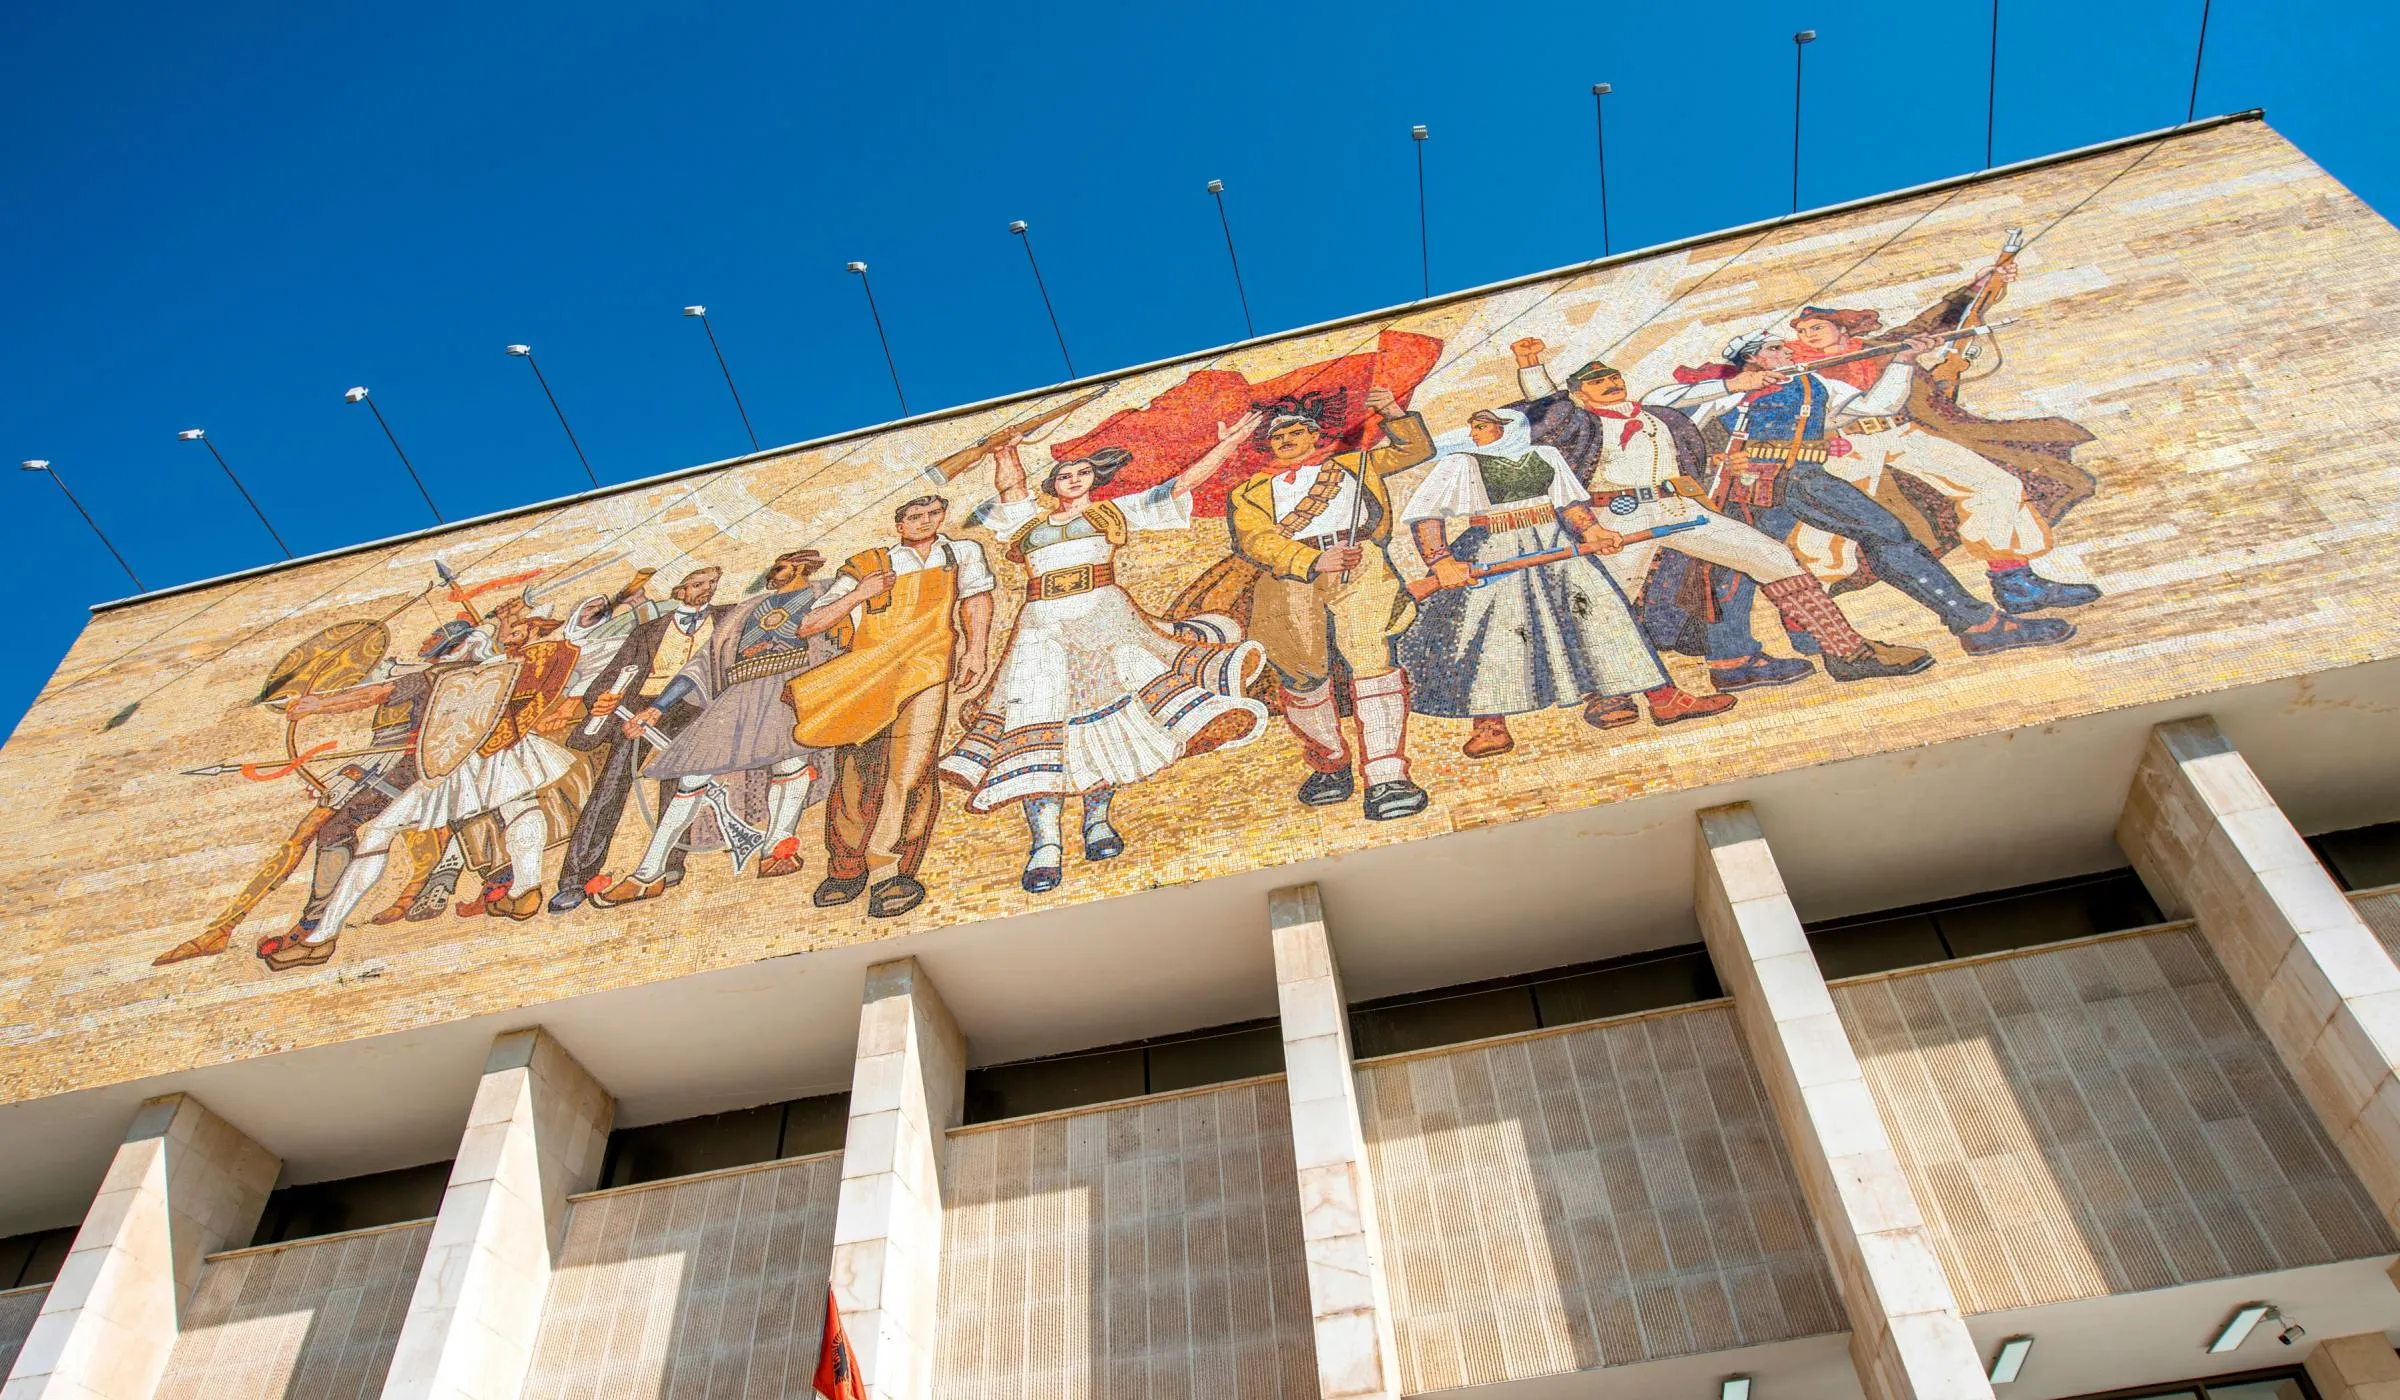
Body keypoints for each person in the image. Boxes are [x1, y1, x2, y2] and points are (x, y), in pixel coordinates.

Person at [940, 417, 1268, 894]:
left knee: (1106, 721)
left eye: (1082, 474)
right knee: (1039, 722)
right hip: (1041, 627)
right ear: (1052, 483)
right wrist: (1005, 447)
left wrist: (1231, 443)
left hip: (1104, 618)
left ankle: (1097, 822)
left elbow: (1182, 485)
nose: (1072, 481)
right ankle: (1044, 845)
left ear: (1095, 479)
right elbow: (1010, 482)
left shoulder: (1112, 514)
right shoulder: (1027, 521)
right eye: (1064, 475)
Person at [1507, 340, 1931, 686]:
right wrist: (1530, 366)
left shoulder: (1658, 414)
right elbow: (1548, 407)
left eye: (1613, 377)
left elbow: (1690, 409)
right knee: (1608, 598)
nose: (1610, 384)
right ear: (1579, 395)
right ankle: (1600, 689)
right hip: (1619, 517)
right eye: (1597, 382)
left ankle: (1846, 652)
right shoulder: (1582, 423)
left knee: (1773, 557)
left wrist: (1739, 389)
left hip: (1680, 507)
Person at [1645, 332, 2075, 658]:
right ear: (1754, 356)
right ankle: (1977, 626)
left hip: (1800, 474)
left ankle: (1804, 637)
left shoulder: (1812, 384)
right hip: (1757, 483)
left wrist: (1903, 362)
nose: (1788, 353)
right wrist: (1735, 385)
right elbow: (1660, 401)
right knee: (1879, 535)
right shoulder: (1731, 389)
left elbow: (1876, 408)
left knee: (1778, 562)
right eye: (1777, 349)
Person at [257, 610, 585, 969]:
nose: (425, 644)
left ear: (451, 647)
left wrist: (319, 705)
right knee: (520, 805)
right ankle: (525, 889)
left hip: (456, 764)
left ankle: (322, 938)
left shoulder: (436, 676)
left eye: (434, 641)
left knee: (380, 832)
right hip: (505, 751)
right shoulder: (511, 665)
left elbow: (376, 694)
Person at [1398, 407, 1733, 757]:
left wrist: (1595, 531)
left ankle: (1663, 699)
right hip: (1493, 547)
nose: (1473, 434)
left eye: (1480, 427)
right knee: (1497, 632)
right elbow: (1427, 513)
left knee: (1604, 617)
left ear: (1509, 428)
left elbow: (1570, 504)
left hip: (1557, 544)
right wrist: (1443, 562)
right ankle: (1490, 725)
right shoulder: (1461, 464)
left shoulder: (1546, 456)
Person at [1784, 268, 2101, 613]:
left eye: (1817, 327)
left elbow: (1931, 323)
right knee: (1831, 524)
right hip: (1846, 445)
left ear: (1842, 328)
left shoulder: (1881, 347)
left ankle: (2014, 582)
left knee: (1996, 485)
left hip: (1903, 432)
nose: (1809, 335)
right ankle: (1810, 608)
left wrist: (1977, 289)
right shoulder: (1796, 368)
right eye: (1802, 331)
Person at [591, 550, 850, 905]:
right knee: (691, 779)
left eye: (779, 568)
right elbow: (703, 662)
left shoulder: (827, 592)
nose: (772, 575)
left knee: (791, 764)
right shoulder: (746, 609)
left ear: (800, 566)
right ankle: (648, 874)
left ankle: (778, 849)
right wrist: (656, 708)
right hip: (739, 693)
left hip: (794, 686)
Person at [1225, 386, 1434, 819]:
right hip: (1291, 574)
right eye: (1278, 435)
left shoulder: (1355, 462)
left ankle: (1387, 775)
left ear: (1314, 435)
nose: (1285, 440)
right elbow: (1256, 539)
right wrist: (1313, 559)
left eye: (1295, 432)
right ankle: (1331, 763)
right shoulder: (1249, 492)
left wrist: (1393, 412)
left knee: (1371, 658)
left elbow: (1414, 449)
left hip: (1358, 561)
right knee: (1302, 672)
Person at [787, 495, 995, 918]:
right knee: (855, 772)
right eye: (914, 517)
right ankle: (846, 868)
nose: (924, 522)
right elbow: (809, 623)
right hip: (869, 674)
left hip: (927, 668)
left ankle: (890, 871)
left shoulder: (962, 553)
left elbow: (976, 601)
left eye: (932, 514)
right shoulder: (869, 564)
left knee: (912, 771)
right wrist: (860, 594)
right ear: (899, 524)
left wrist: (976, 651)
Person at [547, 565, 726, 913]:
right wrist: (600, 699)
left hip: (698, 707)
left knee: (681, 782)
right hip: (642, 707)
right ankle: (577, 878)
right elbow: (607, 678)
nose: (707, 590)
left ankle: (671, 864)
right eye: (697, 584)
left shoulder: (726, 619)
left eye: (712, 584)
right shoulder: (648, 632)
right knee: (613, 783)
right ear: (678, 592)